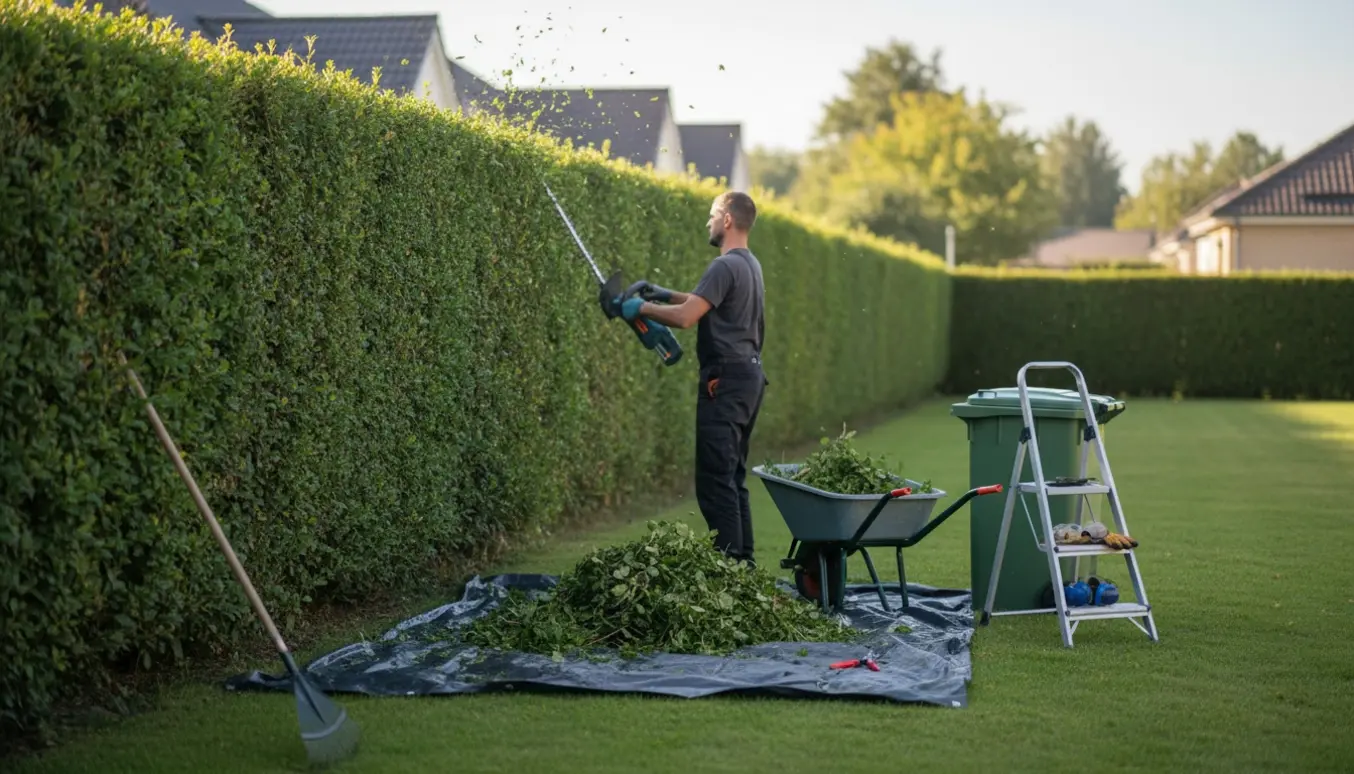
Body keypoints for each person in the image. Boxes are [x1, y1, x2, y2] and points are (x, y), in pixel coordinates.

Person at [617, 191, 767, 567]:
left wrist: (642, 307)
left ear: (728, 219)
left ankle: (729, 569)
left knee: (716, 480)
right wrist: (664, 293)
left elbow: (687, 318)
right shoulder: (749, 265)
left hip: (726, 380)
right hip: (748, 376)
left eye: (712, 215)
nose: (708, 222)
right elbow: (704, 302)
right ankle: (743, 565)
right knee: (732, 475)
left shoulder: (723, 266)